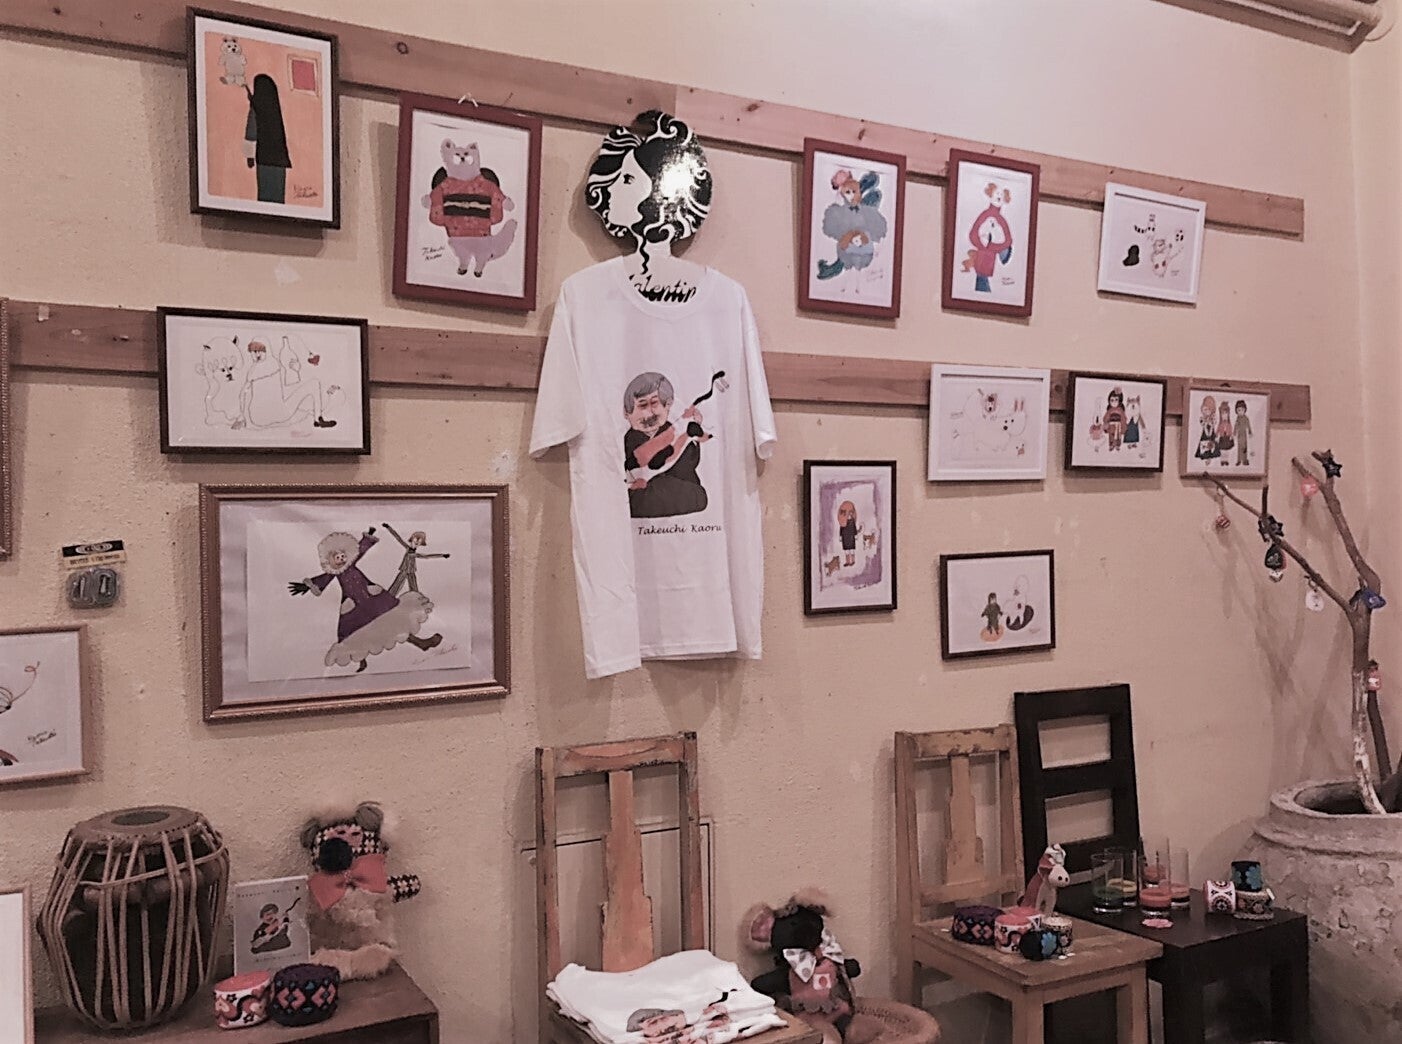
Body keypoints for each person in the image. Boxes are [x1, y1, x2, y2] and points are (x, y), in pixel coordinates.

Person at [289, 528, 442, 673]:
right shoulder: (335, 572)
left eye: (343, 556)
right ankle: (361, 660)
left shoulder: (351, 563)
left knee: (392, 620)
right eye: (337, 558)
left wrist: (368, 536)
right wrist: (307, 586)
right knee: (355, 632)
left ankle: (421, 643)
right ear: (330, 561)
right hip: (354, 605)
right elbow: (323, 579)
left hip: (372, 598)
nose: (341, 559)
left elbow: (360, 550)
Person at [622, 372, 710, 518]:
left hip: (679, 490)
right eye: (642, 405)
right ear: (627, 413)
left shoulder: (674, 430)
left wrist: (691, 433)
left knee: (696, 494)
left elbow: (687, 467)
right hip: (644, 494)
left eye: (655, 404)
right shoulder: (630, 438)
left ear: (667, 406)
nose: (650, 413)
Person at [244, 73, 291, 204]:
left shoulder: (256, 110)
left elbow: (251, 132)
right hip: (279, 159)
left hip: (264, 158)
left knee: (265, 194)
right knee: (278, 195)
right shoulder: (274, 109)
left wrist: (249, 157)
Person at [383, 523, 450, 596]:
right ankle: (388, 597)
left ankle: (416, 599)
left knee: (414, 589)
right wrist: (388, 527)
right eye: (414, 542)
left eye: (418, 544)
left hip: (411, 571)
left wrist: (442, 555)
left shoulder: (415, 554)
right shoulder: (407, 548)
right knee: (396, 586)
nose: (415, 545)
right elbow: (398, 538)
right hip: (404, 570)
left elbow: (427, 556)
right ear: (411, 540)